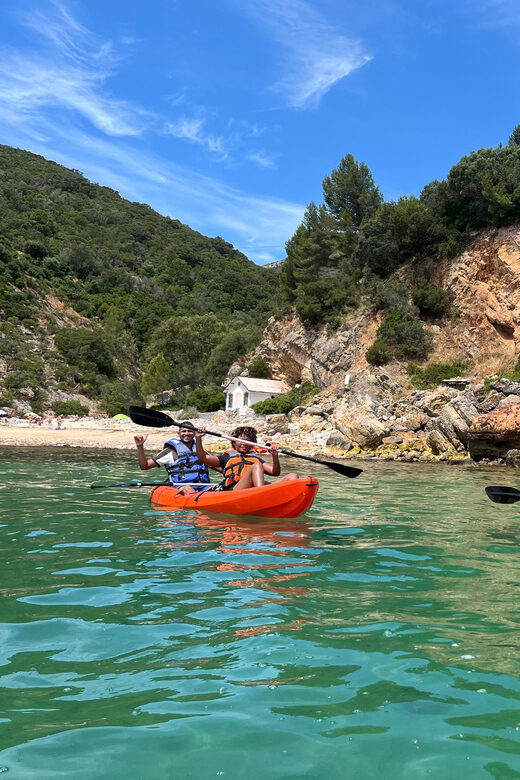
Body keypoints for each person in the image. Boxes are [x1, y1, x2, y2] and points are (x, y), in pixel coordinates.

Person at [195, 425, 298, 491]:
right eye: (240, 441)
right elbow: (203, 459)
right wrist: (198, 438)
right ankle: (261, 494)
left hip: (255, 489)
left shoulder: (256, 459)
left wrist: (275, 456)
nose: (244, 444)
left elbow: (275, 472)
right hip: (235, 489)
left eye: (247, 441)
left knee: (292, 476)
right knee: (257, 466)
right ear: (234, 442)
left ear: (252, 444)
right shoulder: (226, 458)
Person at [134, 421, 217, 490]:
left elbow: (219, 467)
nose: (187, 433)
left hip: (203, 487)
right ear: (178, 433)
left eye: (190, 431)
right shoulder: (170, 452)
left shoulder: (201, 452)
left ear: (194, 433)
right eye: (183, 431)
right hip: (181, 488)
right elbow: (145, 466)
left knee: (218, 488)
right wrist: (140, 446)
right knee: (188, 488)